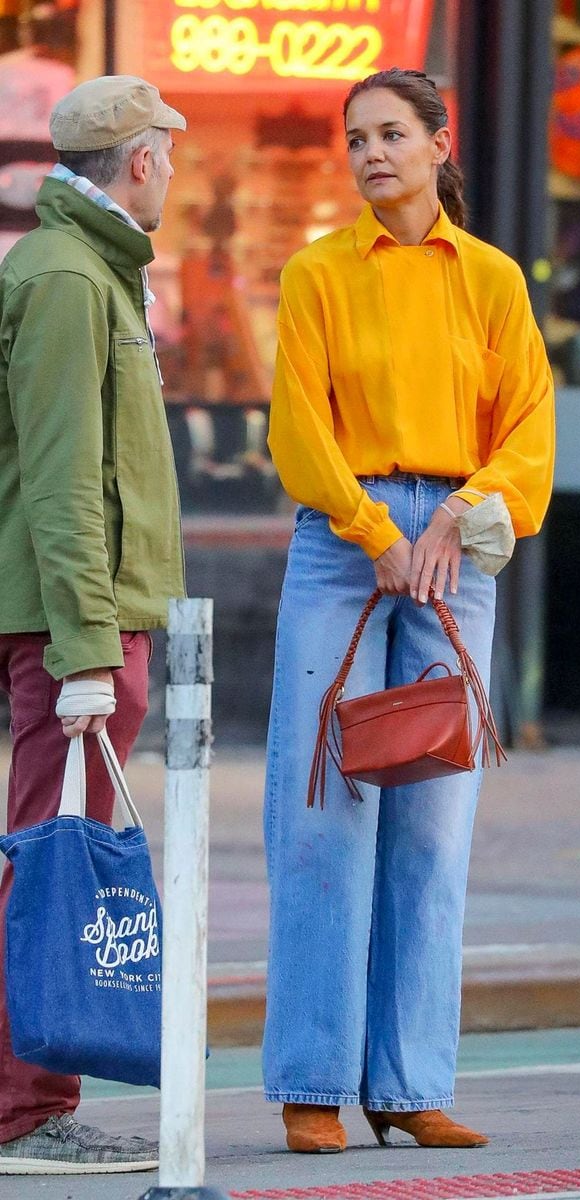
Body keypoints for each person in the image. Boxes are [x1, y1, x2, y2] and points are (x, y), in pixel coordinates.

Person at [263, 68, 555, 1154]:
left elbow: (526, 427)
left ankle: (408, 1081)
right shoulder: (316, 274)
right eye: (357, 138)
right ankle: (311, 1079)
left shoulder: (491, 278)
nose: (371, 152)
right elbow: (300, 425)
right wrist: (380, 533)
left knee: (435, 823)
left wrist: (451, 525)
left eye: (393, 133)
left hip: (460, 547)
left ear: (441, 143)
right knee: (321, 810)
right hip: (343, 547)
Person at [0, 75, 186, 1175]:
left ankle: (32, 1101)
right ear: (144, 159)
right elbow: (67, 477)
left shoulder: (79, 266)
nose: (174, 169)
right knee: (51, 862)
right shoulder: (71, 280)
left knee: (48, 856)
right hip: (78, 620)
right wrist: (83, 650)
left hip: (89, 613)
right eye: (169, 151)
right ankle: (26, 1113)